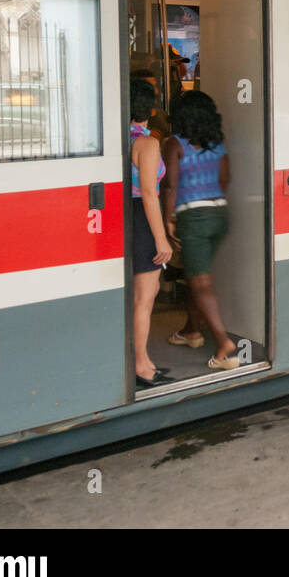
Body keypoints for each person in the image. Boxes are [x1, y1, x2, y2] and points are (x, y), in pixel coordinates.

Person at [160, 90, 240, 370]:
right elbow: (225, 179)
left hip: (192, 216)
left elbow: (170, 184)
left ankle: (224, 345)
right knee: (199, 275)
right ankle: (191, 331)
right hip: (219, 213)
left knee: (200, 281)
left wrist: (169, 218)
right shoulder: (217, 144)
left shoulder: (174, 144)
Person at [129, 77, 173, 388]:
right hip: (143, 220)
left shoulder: (119, 138)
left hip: (123, 217)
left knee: (143, 295)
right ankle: (141, 365)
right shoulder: (148, 143)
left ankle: (143, 361)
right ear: (152, 109)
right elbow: (148, 193)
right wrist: (161, 238)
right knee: (144, 299)